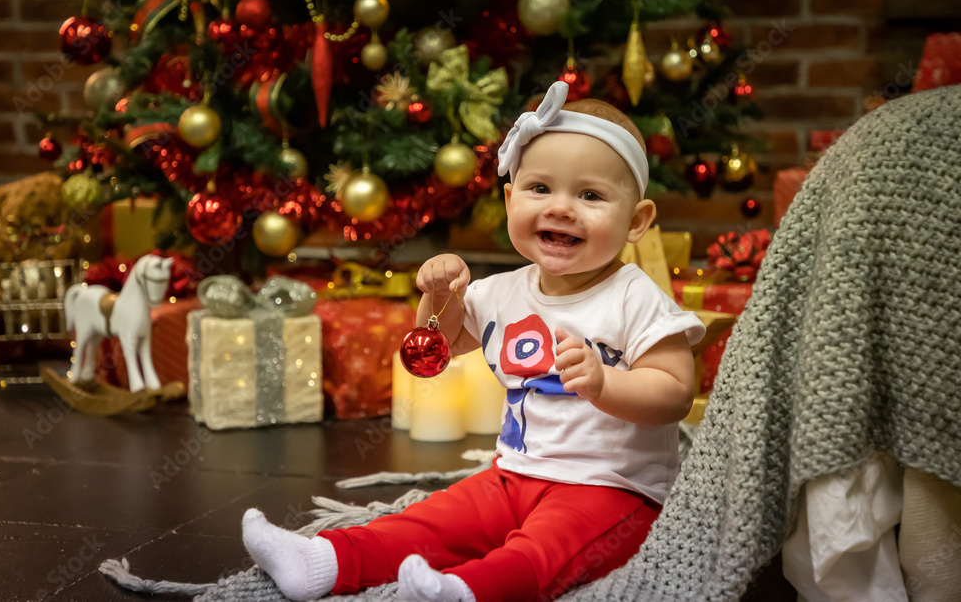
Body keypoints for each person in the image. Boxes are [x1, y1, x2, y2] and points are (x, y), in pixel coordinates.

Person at [240, 80, 706, 602]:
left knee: (544, 549)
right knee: (437, 519)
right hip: (512, 476)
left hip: (613, 492)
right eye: (540, 189)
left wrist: (605, 383)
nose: (560, 208)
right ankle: (323, 561)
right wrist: (438, 295)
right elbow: (434, 351)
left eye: (591, 195)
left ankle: (468, 592)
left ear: (636, 220)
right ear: (510, 199)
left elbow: (674, 394)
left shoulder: (634, 297)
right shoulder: (499, 291)